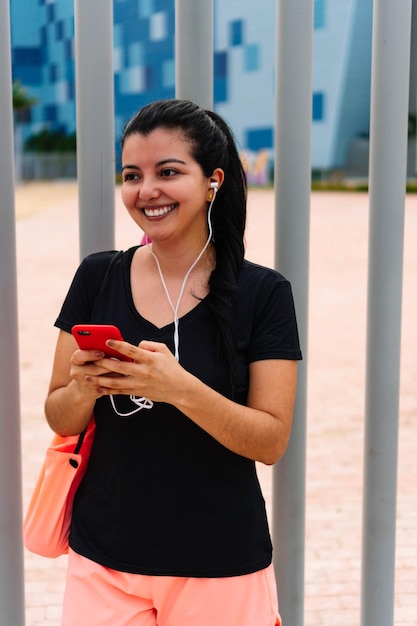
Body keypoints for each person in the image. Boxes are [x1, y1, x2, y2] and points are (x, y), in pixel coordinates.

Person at [45, 99, 302, 626]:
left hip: (220, 562)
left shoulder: (264, 292)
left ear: (213, 181)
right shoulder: (98, 277)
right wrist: (83, 389)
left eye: (168, 172)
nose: (147, 191)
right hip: (104, 560)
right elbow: (58, 415)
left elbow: (271, 441)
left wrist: (177, 387)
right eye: (132, 175)